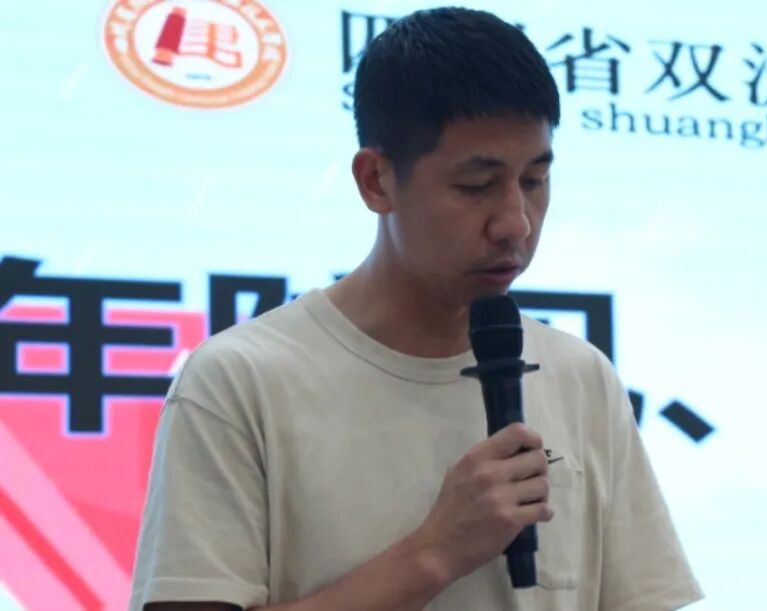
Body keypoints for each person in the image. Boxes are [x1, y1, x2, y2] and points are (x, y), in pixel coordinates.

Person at [129, 7, 702, 611]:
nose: (516, 222)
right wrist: (434, 553)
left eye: (534, 181)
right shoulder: (240, 380)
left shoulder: (581, 376)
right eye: (477, 186)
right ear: (376, 181)